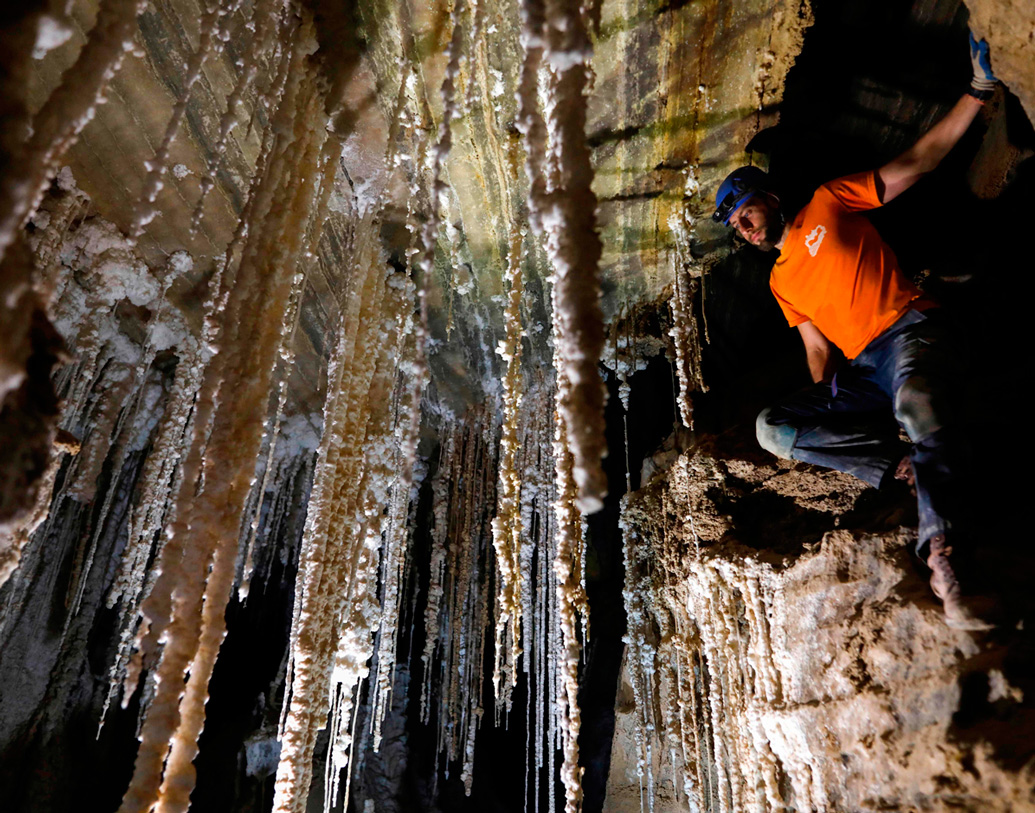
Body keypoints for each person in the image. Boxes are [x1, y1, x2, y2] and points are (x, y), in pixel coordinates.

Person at [712, 32, 1001, 631]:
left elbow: (918, 162)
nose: (742, 226)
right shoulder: (780, 285)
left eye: (745, 210)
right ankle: (899, 462)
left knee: (917, 397)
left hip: (911, 330)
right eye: (735, 225)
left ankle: (945, 558)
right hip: (865, 370)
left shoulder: (828, 203)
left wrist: (976, 94)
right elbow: (817, 352)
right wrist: (841, 414)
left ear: (768, 197)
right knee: (774, 428)